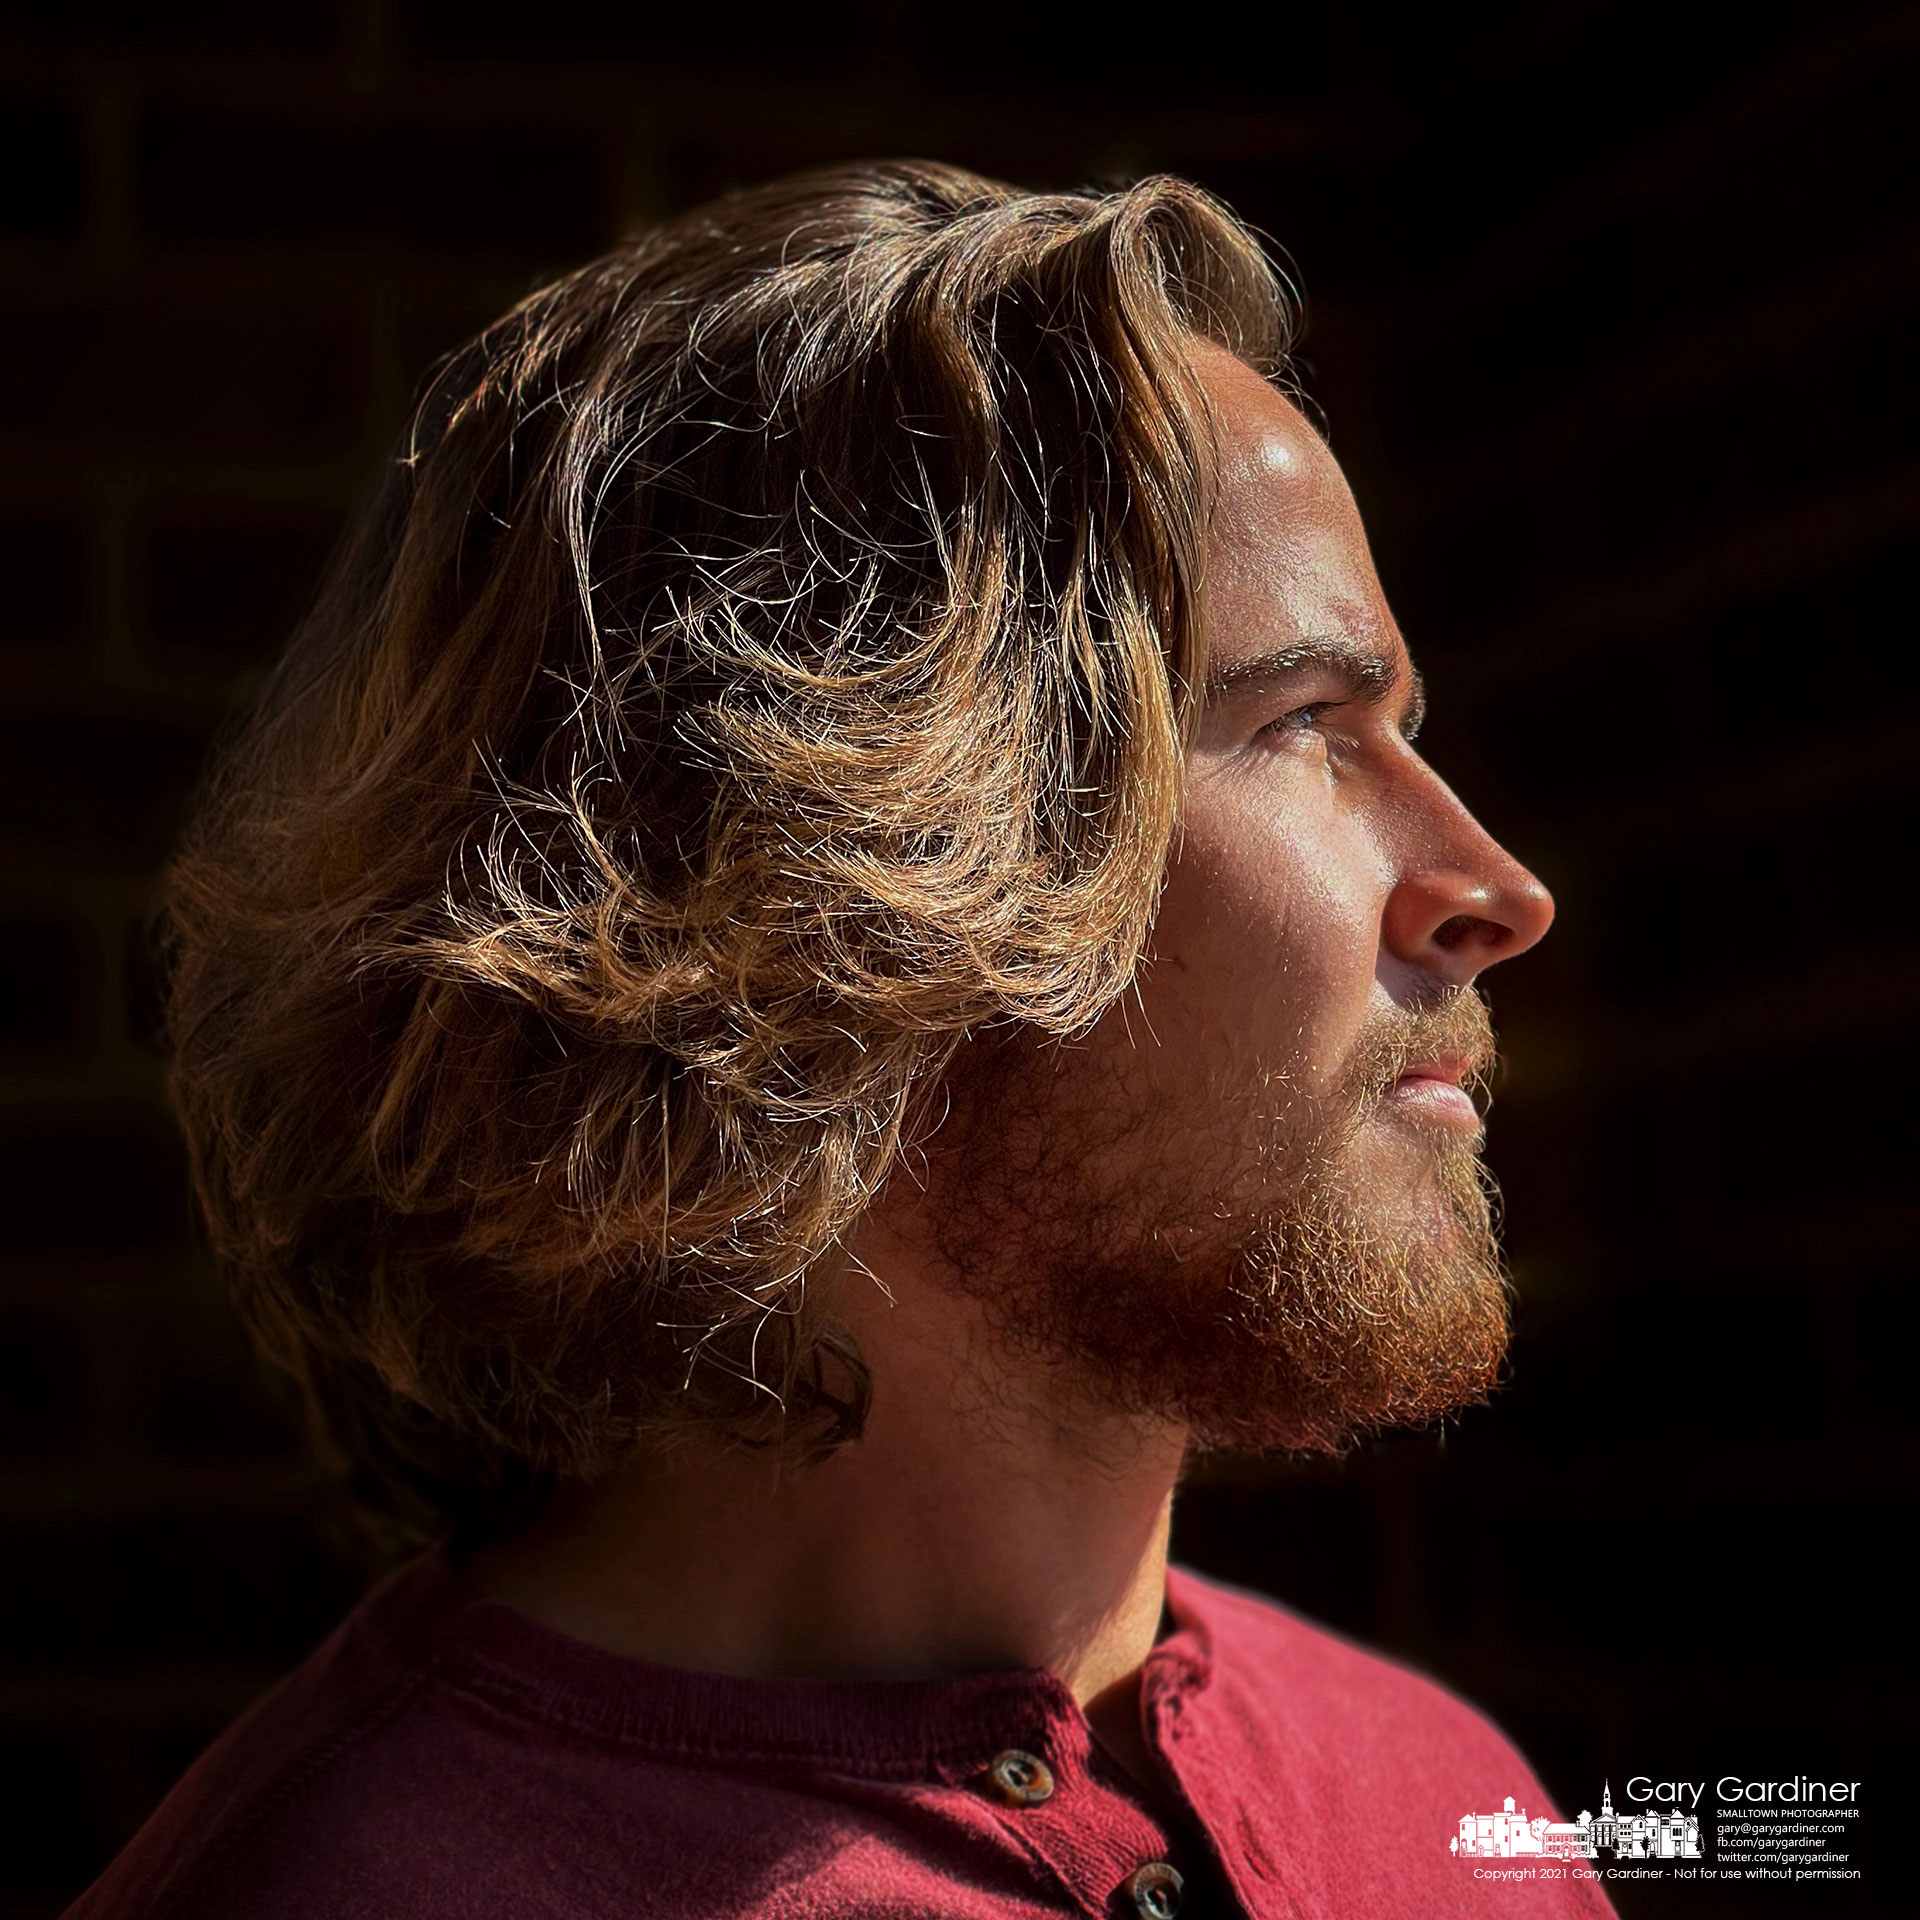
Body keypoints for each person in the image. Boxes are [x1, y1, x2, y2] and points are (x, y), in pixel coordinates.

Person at [70, 162, 1609, 1919]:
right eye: (1308, 722)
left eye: (1410, 726)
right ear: (832, 870)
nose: (1495, 887)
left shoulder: (1459, 1817)